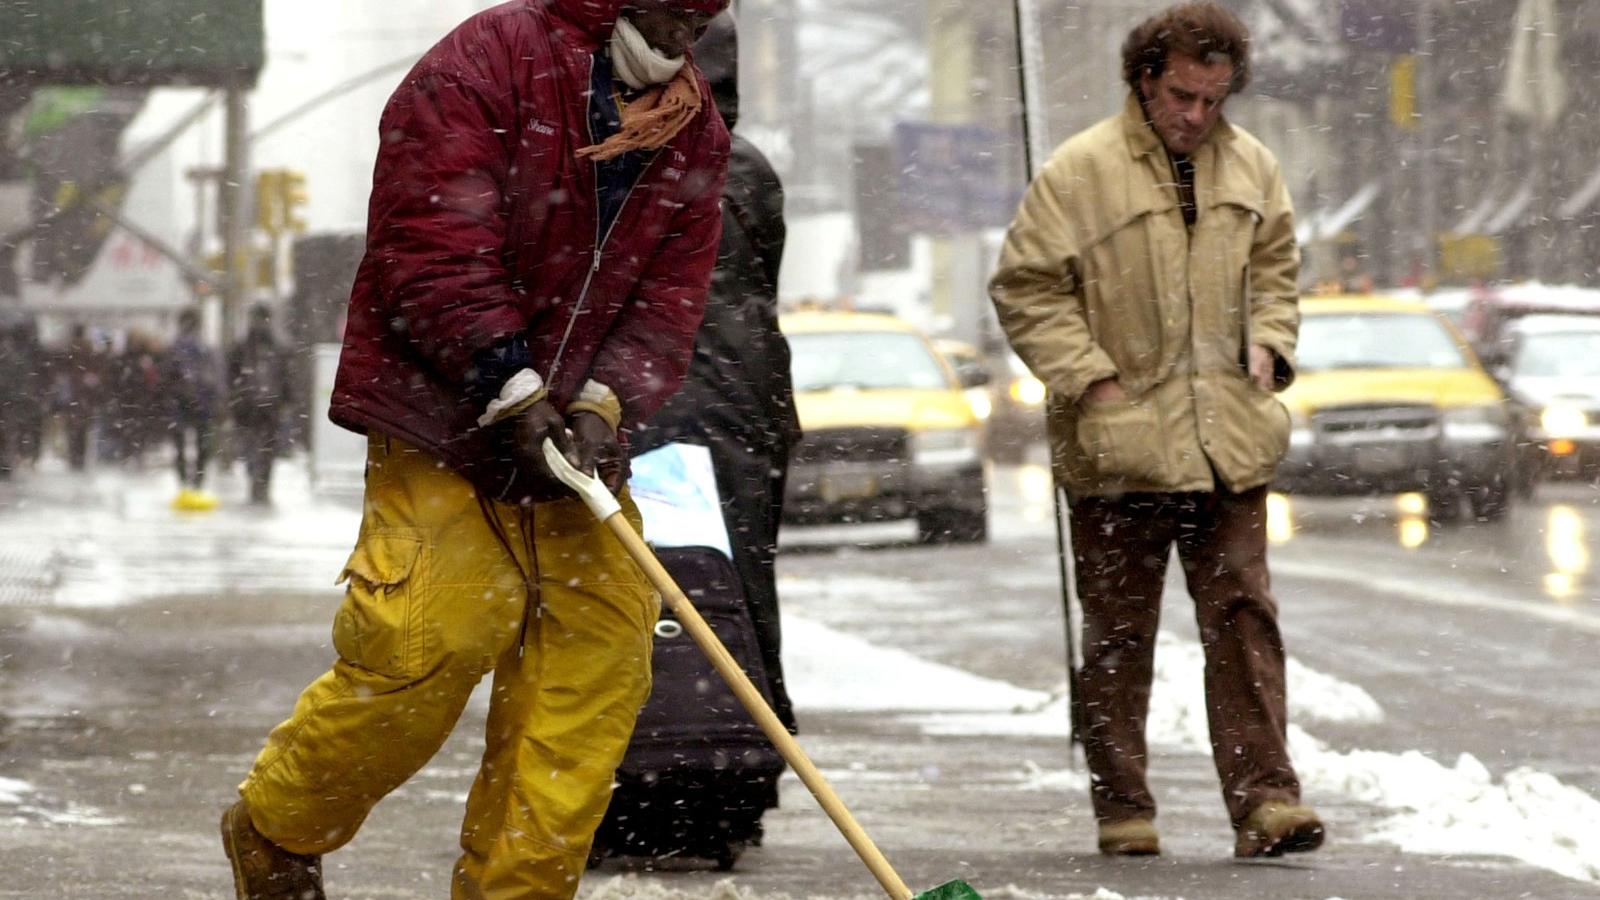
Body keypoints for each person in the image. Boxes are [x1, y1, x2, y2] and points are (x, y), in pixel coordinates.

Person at [219, 1, 731, 897]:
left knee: (591, 681)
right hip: (445, 421)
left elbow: (668, 297)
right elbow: (433, 240)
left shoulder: (694, 132)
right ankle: (279, 828)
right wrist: (509, 384)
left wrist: (603, 408)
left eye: (705, 14)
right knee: (428, 647)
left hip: (576, 451)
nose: (691, 31)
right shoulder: (490, 61)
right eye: (675, 10)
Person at [988, 1, 1322, 860]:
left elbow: (1279, 269)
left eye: (1214, 100)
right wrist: (1089, 376)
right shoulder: (1079, 171)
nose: (1197, 117)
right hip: (1120, 446)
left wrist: (1270, 344)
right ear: (1145, 79)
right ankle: (1123, 806)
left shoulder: (1253, 167)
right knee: (1119, 634)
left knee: (1244, 619)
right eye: (1183, 96)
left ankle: (1266, 802)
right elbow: (1025, 286)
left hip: (1230, 441)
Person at [631, 12, 802, 739]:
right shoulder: (752, 171)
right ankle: (748, 754)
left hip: (648, 400)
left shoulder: (626, 154)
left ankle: (649, 763)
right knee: (742, 587)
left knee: (635, 595)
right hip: (745, 403)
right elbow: (762, 280)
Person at [228, 303, 292, 504]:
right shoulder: (279, 346)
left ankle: (256, 479)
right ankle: (262, 483)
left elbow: (231, 376)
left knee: (251, 444)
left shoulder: (241, 346)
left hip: (248, 404)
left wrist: (234, 398)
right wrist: (287, 401)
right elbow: (287, 377)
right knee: (267, 447)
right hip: (270, 405)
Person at [163, 307, 221, 498]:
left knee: (181, 445)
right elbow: (215, 377)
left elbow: (166, 378)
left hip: (180, 403)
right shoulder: (205, 347)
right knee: (202, 445)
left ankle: (185, 483)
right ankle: (196, 482)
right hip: (201, 403)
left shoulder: (175, 347)